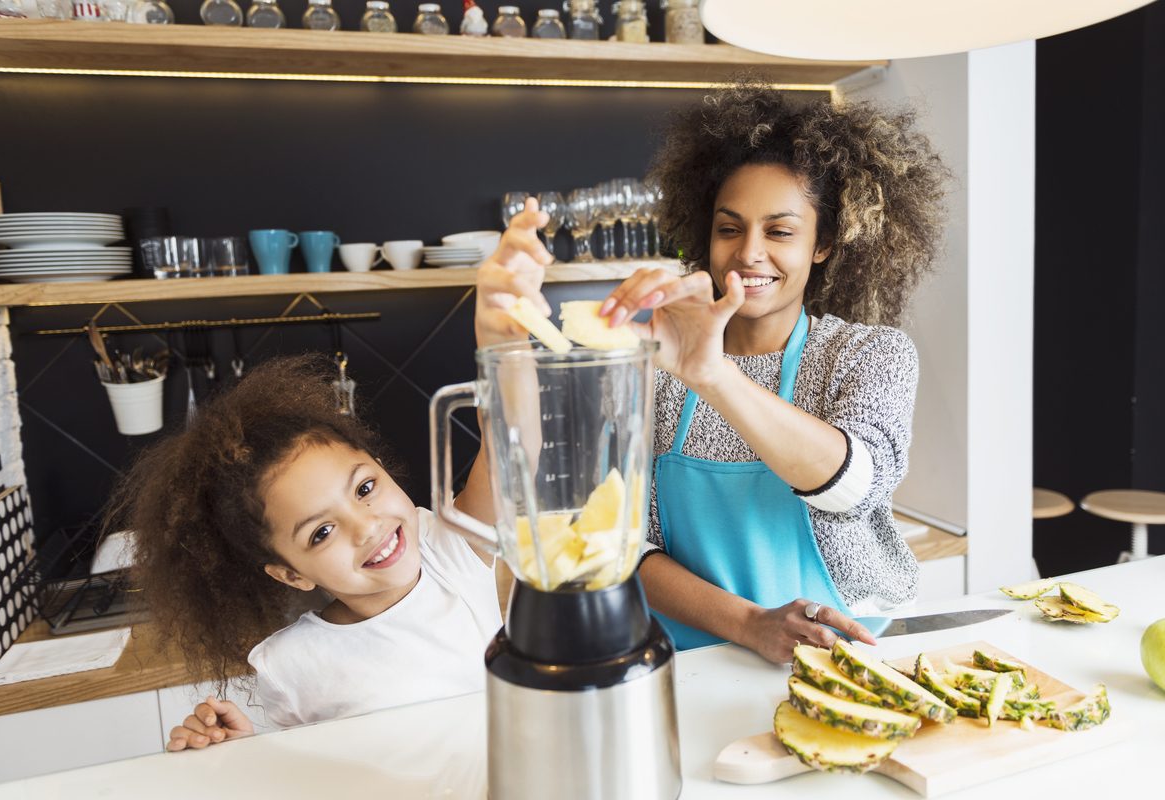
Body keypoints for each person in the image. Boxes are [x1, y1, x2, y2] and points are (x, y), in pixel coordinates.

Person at [111, 206, 557, 751]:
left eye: (364, 489)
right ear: (291, 575)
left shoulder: (451, 551)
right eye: (320, 533)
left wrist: (500, 336)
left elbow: (515, 446)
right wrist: (237, 753)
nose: (365, 527)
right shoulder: (291, 665)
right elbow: (304, 769)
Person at [597, 81, 950, 662]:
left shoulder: (868, 355)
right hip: (696, 659)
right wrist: (751, 624)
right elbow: (627, 547)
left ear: (824, 243)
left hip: (851, 651)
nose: (748, 254)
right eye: (729, 228)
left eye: (780, 231)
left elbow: (855, 490)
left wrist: (711, 374)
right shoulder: (654, 368)